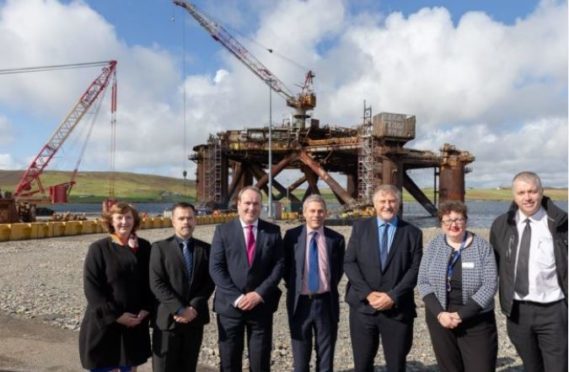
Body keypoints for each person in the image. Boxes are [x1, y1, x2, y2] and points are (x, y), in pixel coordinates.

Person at [490, 171, 567, 372]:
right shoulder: (501, 225)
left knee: (558, 367)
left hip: (554, 309)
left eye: (532, 191)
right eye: (521, 192)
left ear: (541, 192)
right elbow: (496, 265)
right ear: (514, 196)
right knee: (531, 366)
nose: (527, 197)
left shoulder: (561, 224)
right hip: (518, 311)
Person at [344, 184, 422, 372]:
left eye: (392, 201)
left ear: (399, 203)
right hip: (363, 308)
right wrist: (368, 294)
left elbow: (415, 269)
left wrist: (393, 296)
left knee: (396, 365)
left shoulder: (412, 233)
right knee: (362, 364)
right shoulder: (360, 228)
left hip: (397, 309)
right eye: (383, 201)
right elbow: (350, 263)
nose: (387, 205)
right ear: (374, 204)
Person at [209, 186, 284, 372]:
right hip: (230, 306)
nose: (251, 208)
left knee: (260, 361)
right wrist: (237, 297)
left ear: (261, 207)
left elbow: (279, 266)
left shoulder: (273, 232)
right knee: (229, 360)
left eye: (256, 204)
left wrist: (259, 293)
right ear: (238, 204)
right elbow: (216, 268)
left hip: (260, 306)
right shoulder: (223, 231)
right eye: (247, 203)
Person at [417, 201, 497, 372]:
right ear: (441, 223)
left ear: (466, 221)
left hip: (476, 319)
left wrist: (461, 315)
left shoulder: (482, 247)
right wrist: (440, 314)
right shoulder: (433, 245)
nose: (453, 224)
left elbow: (490, 285)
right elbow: (423, 282)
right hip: (441, 318)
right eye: (448, 221)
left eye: (458, 219)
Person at [79, 202, 152, 372]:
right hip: (105, 323)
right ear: (111, 221)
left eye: (128, 217)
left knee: (129, 366)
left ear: (134, 221)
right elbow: (92, 288)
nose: (124, 222)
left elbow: (151, 282)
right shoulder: (99, 248)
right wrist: (116, 315)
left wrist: (146, 309)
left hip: (134, 323)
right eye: (119, 217)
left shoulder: (144, 247)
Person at [283, 194, 346, 372]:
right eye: (312, 211)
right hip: (299, 303)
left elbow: (338, 270)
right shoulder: (291, 236)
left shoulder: (336, 239)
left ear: (326, 213)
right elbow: (286, 268)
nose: (316, 215)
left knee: (325, 356)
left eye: (320, 211)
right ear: (304, 213)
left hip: (326, 302)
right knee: (300, 358)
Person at [149, 202, 215, 372]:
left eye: (190, 218)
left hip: (194, 320)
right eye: (181, 218)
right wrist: (179, 309)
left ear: (195, 221)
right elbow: (156, 283)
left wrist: (192, 307)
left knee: (188, 367)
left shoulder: (206, 249)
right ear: (173, 222)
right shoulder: (159, 248)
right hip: (167, 321)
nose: (186, 222)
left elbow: (209, 282)